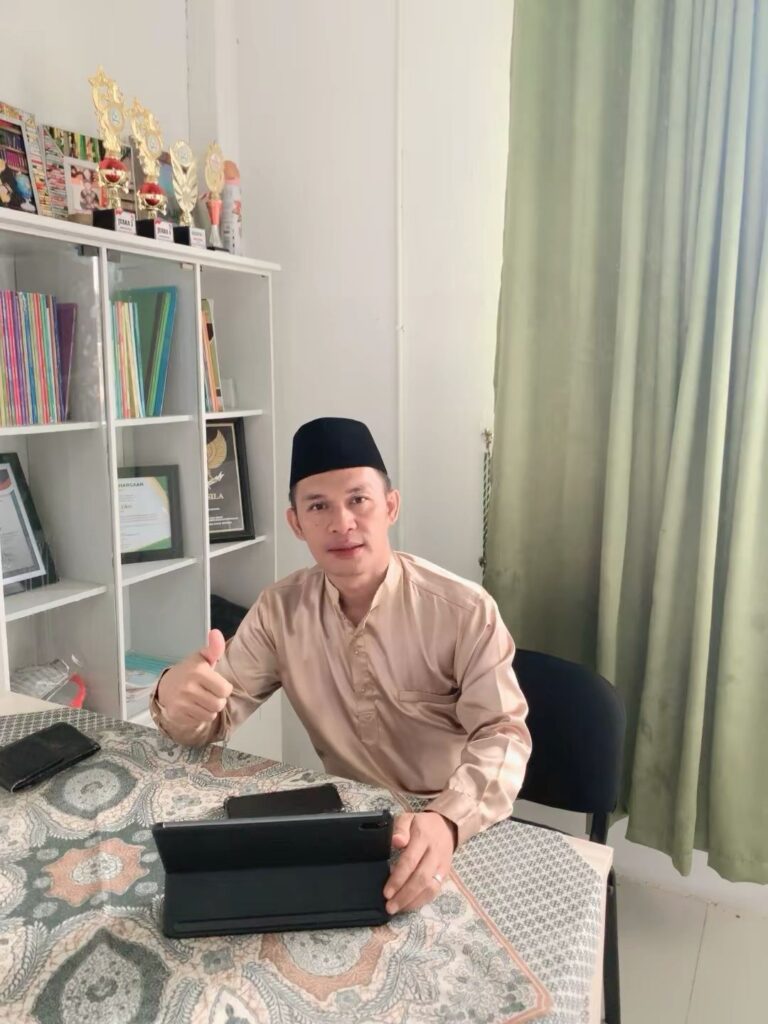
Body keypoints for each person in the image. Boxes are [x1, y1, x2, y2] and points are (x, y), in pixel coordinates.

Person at [152, 417, 531, 915]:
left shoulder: (464, 610)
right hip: (349, 823)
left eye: (358, 500)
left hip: (452, 821)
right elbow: (210, 720)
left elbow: (504, 733)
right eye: (318, 506)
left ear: (390, 506)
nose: (341, 523)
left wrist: (447, 820)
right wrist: (174, 696)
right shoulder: (280, 610)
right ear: (296, 523)